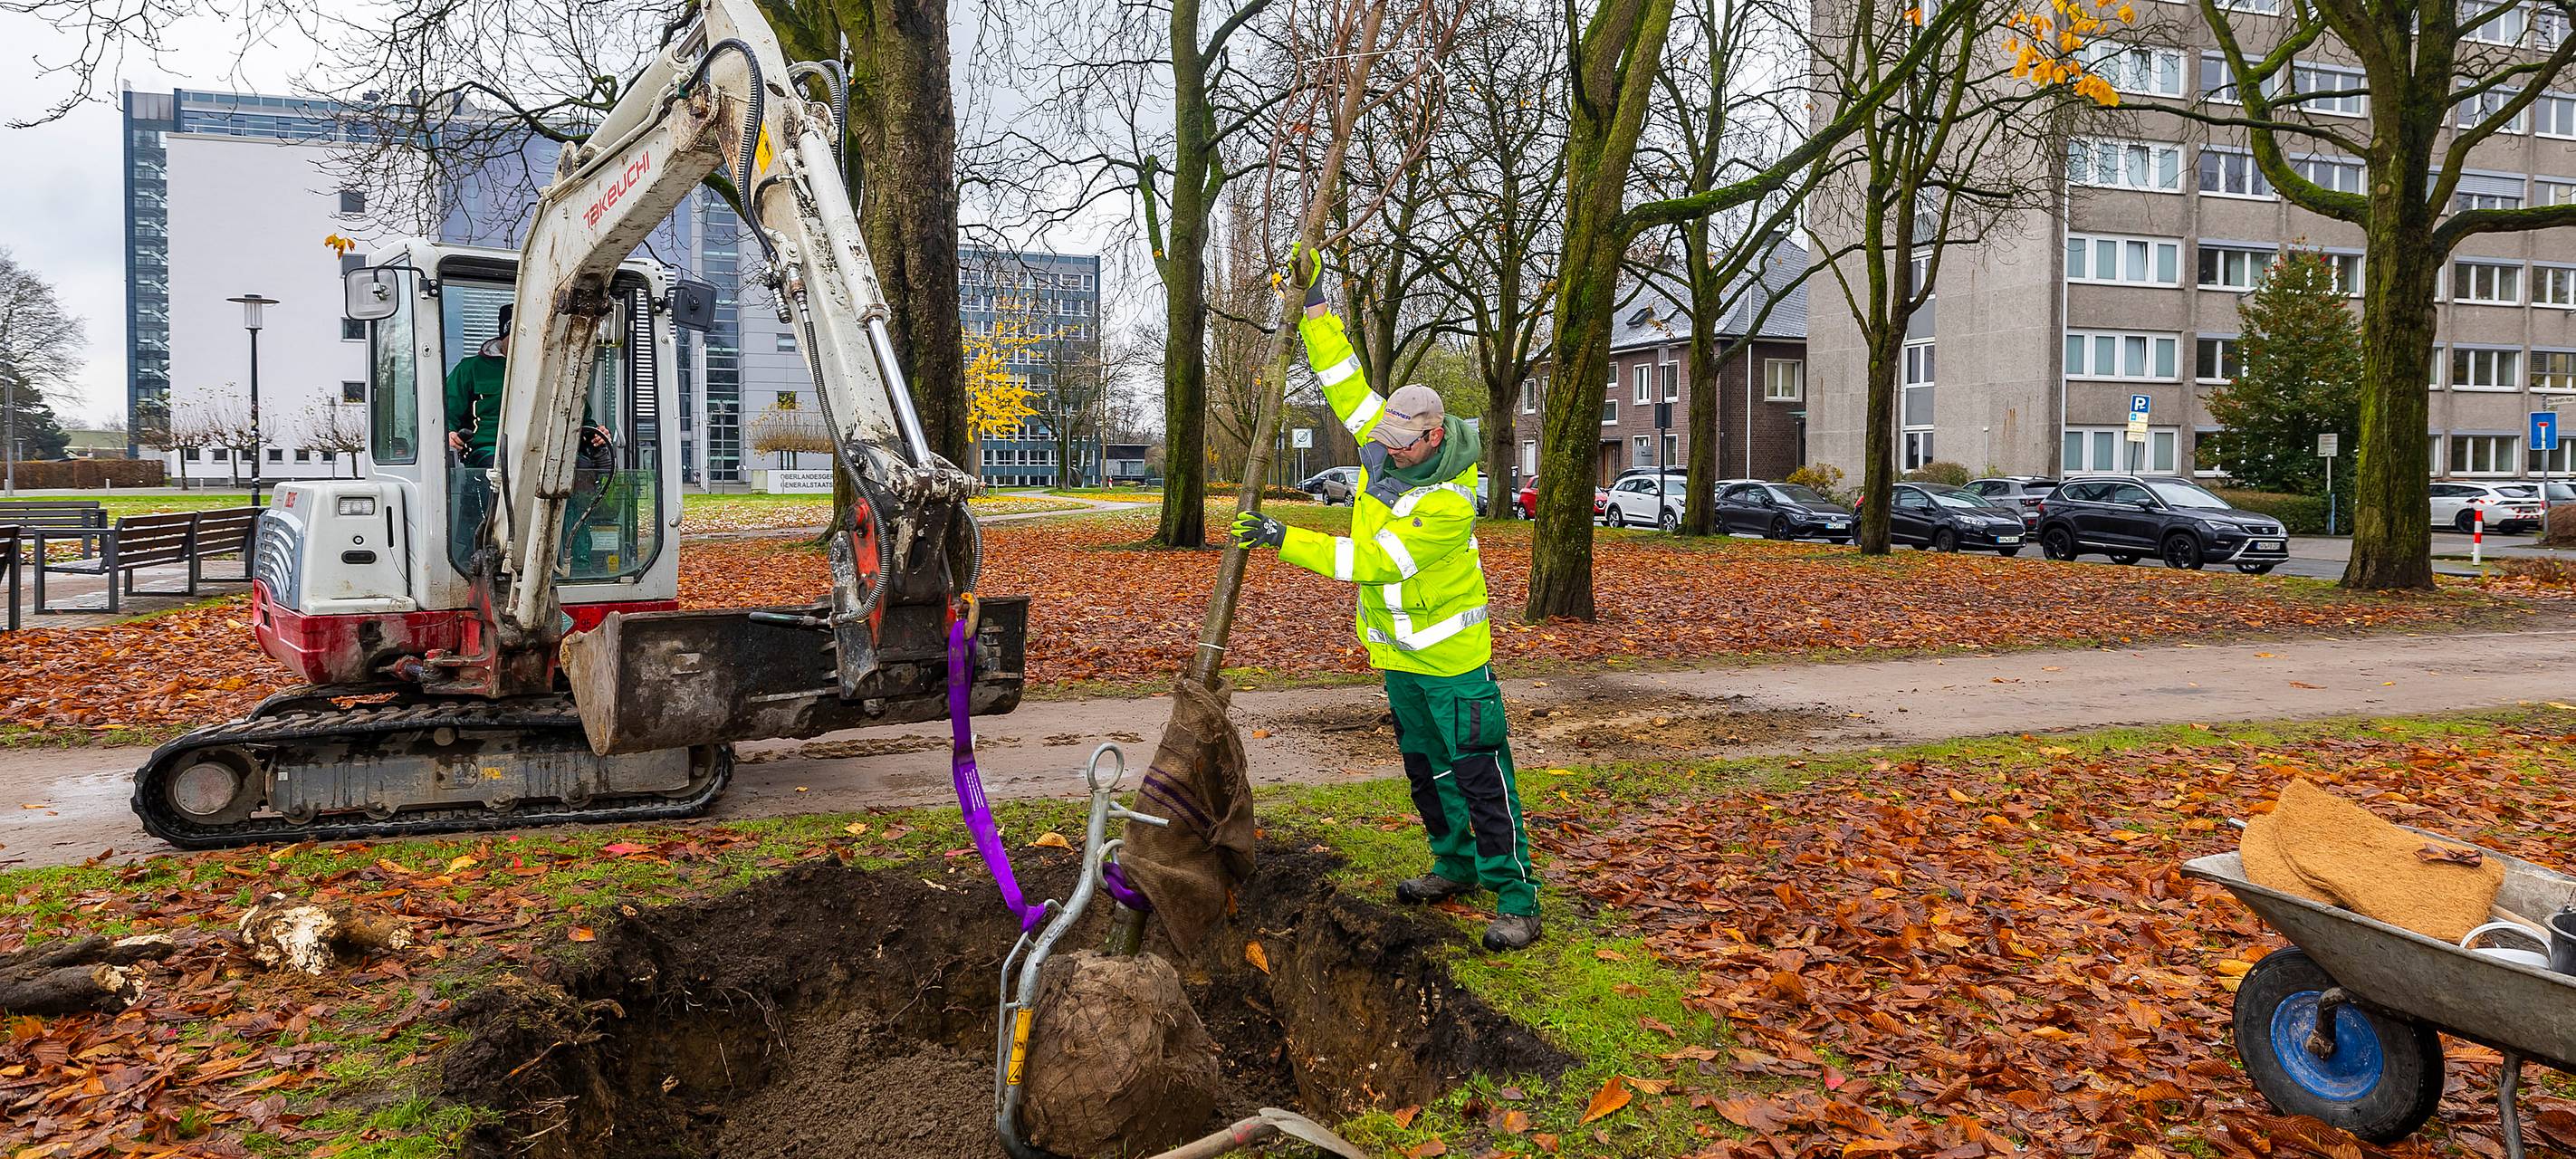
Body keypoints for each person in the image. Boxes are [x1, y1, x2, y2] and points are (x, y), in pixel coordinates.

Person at [1228, 247, 1540, 952]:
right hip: (1401, 660)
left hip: (1455, 666)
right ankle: (1451, 865)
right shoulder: (1387, 436)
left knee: (1481, 779)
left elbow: (1370, 562)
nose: (1388, 450)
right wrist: (1312, 305)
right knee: (1426, 771)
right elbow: (1343, 382)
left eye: (1403, 444)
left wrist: (1284, 539)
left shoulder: (1449, 502)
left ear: (1434, 437)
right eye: (1386, 438)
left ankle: (1515, 894)